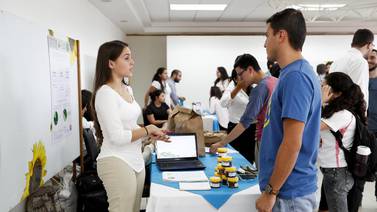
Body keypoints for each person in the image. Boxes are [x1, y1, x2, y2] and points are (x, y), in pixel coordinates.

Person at [256, 9, 321, 212]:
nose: (265, 43)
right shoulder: (290, 74)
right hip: (288, 191)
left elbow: (292, 142)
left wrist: (271, 192)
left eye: (267, 36)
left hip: (290, 194)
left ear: (281, 35)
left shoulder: (296, 77)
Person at [91, 40, 169, 212]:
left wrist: (149, 135)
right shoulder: (105, 94)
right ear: (111, 63)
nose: (132, 62)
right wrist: (148, 128)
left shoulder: (128, 90)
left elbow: (131, 126)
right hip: (116, 159)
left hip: (136, 159)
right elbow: (117, 137)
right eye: (127, 58)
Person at [211, 54, 277, 166]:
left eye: (240, 74)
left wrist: (221, 143)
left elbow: (244, 122)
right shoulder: (274, 81)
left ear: (250, 69)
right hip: (274, 139)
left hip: (264, 140)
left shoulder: (259, 89)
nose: (240, 79)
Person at [318, 72, 366, 212]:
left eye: (325, 87)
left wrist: (320, 102)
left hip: (337, 172)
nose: (321, 89)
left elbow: (310, 126)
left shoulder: (342, 114)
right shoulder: (334, 112)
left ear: (337, 93)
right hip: (333, 170)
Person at [330, 28, 374, 108]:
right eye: (372, 46)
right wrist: (362, 116)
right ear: (369, 45)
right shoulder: (360, 61)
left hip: (335, 109)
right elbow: (359, 93)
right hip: (352, 112)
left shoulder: (337, 61)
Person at [219, 68, 255, 163]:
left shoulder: (253, 87)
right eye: (240, 75)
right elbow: (223, 103)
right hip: (235, 127)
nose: (244, 77)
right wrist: (238, 88)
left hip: (251, 128)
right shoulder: (231, 87)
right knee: (235, 159)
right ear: (235, 79)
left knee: (249, 158)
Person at [368, 49, 377, 202]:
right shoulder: (359, 79)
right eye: (367, 57)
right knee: (361, 169)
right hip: (363, 131)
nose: (369, 60)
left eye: (373, 57)